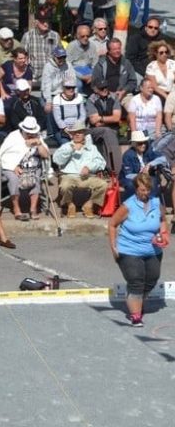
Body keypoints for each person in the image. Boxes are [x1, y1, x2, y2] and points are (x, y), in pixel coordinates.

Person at [108, 173, 168, 327]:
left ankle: (138, 300)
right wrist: (114, 246)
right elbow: (112, 224)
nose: (145, 193)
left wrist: (163, 234)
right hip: (129, 249)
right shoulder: (128, 206)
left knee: (152, 279)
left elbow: (162, 220)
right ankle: (135, 315)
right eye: (142, 190)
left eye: (147, 190)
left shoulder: (156, 203)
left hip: (152, 249)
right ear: (135, 189)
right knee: (136, 281)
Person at [0, 116, 50, 220]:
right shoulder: (13, 136)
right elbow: (2, 154)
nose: (30, 135)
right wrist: (13, 166)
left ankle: (33, 209)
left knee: (37, 177)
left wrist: (38, 144)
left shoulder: (37, 137)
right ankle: (17, 209)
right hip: (12, 166)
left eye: (32, 132)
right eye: (28, 133)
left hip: (33, 166)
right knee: (14, 179)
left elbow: (45, 155)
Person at [52, 122, 108, 218]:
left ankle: (89, 205)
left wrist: (89, 167)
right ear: (71, 135)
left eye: (80, 132)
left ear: (84, 134)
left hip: (87, 177)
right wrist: (71, 150)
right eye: (74, 133)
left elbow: (101, 162)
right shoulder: (66, 146)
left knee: (104, 185)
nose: (77, 134)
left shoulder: (92, 148)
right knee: (65, 185)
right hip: (69, 176)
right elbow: (57, 160)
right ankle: (70, 205)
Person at [91, 39, 137, 108]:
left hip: (123, 94)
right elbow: (94, 84)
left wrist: (124, 91)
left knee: (134, 108)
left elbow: (133, 81)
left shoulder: (126, 63)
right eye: (114, 49)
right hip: (105, 95)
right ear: (109, 51)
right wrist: (102, 92)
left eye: (119, 48)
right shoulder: (101, 64)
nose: (117, 51)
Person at [119, 131, 161, 201]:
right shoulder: (128, 155)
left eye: (145, 142)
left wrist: (150, 164)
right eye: (140, 143)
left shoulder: (148, 151)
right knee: (131, 185)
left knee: (153, 181)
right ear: (134, 144)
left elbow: (163, 158)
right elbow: (128, 175)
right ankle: (130, 206)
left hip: (146, 177)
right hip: (130, 178)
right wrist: (142, 176)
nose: (143, 145)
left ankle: (152, 204)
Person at [21, 12, 61, 85]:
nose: (46, 24)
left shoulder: (55, 36)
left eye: (47, 21)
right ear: (36, 22)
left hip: (51, 75)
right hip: (33, 76)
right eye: (43, 21)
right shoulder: (27, 36)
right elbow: (22, 56)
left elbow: (60, 56)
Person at [52, 78, 86, 145]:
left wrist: (77, 128)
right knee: (67, 145)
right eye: (68, 87)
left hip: (78, 128)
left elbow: (83, 115)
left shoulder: (79, 97)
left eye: (73, 87)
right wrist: (68, 131)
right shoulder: (57, 99)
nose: (71, 89)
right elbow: (58, 119)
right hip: (63, 130)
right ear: (63, 88)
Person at [67, 24, 99, 91]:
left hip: (88, 70)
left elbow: (95, 64)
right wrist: (81, 77)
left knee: (99, 82)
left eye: (87, 36)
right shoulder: (71, 46)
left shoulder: (92, 46)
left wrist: (92, 75)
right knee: (78, 84)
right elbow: (68, 66)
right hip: (75, 71)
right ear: (77, 36)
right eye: (83, 36)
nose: (85, 38)